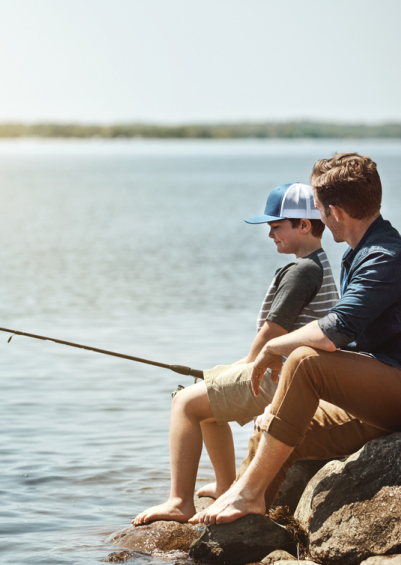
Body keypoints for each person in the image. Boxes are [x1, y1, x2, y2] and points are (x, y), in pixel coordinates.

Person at [198, 153, 401, 526]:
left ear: (336, 212)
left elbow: (334, 331)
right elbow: (353, 340)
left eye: (321, 211)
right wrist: (278, 406)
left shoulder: (385, 258)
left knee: (304, 360)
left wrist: (273, 346)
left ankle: (246, 495)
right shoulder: (361, 254)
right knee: (267, 431)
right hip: (393, 391)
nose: (321, 220)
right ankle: (249, 522)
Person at [132, 183, 339, 526]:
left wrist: (245, 366)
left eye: (277, 227)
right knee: (208, 402)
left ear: (304, 224)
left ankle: (180, 502)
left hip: (279, 378)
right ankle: (228, 485)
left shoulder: (302, 271)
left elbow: (274, 331)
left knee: (185, 403)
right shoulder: (318, 264)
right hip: (290, 374)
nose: (271, 234)